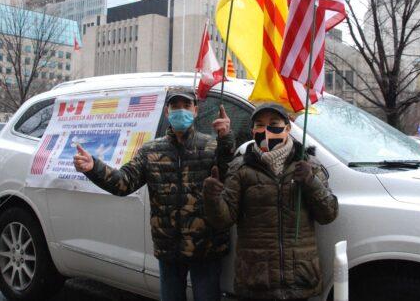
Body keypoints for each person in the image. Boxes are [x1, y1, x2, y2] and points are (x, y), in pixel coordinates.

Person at [74, 89, 235, 301]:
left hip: (206, 248)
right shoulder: (151, 151)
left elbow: (228, 177)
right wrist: (94, 167)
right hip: (169, 249)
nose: (181, 111)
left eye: (186, 106)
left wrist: (226, 139)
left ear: (196, 111)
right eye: (175, 106)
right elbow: (124, 183)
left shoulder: (212, 146)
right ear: (167, 112)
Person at [203, 103, 338, 301]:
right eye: (260, 124)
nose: (266, 130)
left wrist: (310, 181)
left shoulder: (308, 165)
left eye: (274, 123)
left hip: (299, 279)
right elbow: (223, 220)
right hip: (257, 279)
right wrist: (212, 197)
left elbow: (329, 214)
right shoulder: (240, 168)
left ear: (288, 128)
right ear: (253, 130)